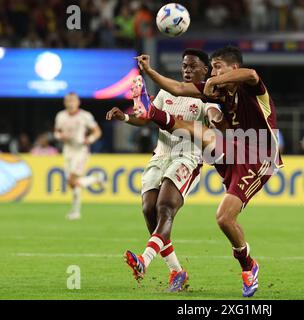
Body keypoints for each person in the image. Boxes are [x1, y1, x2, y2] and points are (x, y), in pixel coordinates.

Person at [133, 45, 283, 297]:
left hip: (259, 156)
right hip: (234, 149)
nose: (212, 72)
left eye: (217, 66)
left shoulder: (250, 87)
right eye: (212, 67)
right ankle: (152, 111)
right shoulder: (217, 92)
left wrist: (214, 80)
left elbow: (252, 74)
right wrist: (149, 70)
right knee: (192, 129)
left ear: (232, 68)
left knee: (224, 218)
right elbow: (178, 88)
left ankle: (249, 266)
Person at [106, 49, 222, 292]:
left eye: (193, 66)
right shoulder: (167, 91)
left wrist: (215, 120)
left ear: (205, 70)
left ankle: (143, 261)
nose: (187, 70)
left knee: (165, 206)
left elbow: (215, 122)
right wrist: (125, 118)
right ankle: (177, 272)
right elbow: (147, 117)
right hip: (160, 156)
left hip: (187, 158)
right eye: (184, 66)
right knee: (149, 209)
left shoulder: (208, 97)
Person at [54, 92, 104, 220]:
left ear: (78, 102)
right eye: (68, 101)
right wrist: (59, 136)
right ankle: (95, 179)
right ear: (65, 103)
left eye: (73, 101)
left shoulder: (85, 116)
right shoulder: (60, 116)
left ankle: (76, 212)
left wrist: (90, 139)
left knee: (73, 180)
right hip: (67, 149)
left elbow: (97, 131)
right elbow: (57, 131)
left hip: (80, 150)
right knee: (72, 183)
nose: (71, 104)